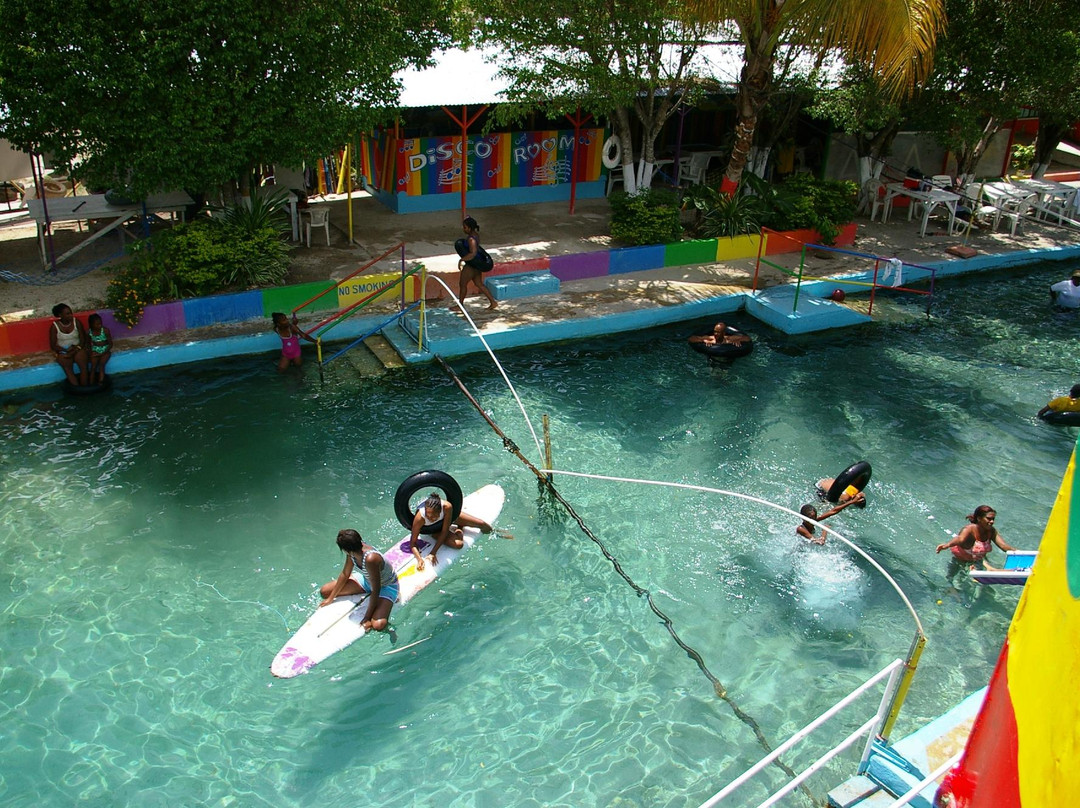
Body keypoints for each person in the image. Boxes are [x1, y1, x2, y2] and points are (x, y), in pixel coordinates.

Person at [319, 529, 399, 632]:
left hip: (386, 586)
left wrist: (367, 617)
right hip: (366, 580)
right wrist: (331, 598)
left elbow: (376, 589)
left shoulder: (371, 559)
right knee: (325, 591)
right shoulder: (352, 553)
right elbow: (345, 574)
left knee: (378, 625)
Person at [410, 491, 492, 570]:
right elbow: (413, 543)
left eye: (434, 516)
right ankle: (460, 528)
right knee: (459, 544)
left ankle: (497, 533)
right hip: (433, 528)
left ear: (440, 511)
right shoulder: (420, 518)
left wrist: (433, 552)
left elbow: (445, 531)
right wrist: (419, 559)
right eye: (428, 516)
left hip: (447, 519)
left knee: (482, 524)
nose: (431, 518)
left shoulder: (447, 507)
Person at [935, 505, 1016, 581]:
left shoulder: (991, 531)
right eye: (989, 518)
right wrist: (947, 545)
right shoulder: (969, 529)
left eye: (993, 519)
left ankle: (990, 568)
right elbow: (960, 539)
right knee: (950, 579)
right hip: (960, 559)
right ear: (979, 518)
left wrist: (1021, 553)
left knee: (980, 581)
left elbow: (1003, 546)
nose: (992, 522)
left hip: (978, 559)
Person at [456, 216, 498, 311]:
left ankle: (460, 305)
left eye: (465, 227)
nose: (464, 229)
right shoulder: (475, 235)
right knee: (479, 284)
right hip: (477, 264)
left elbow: (473, 253)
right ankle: (493, 302)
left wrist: (461, 260)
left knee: (462, 284)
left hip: (472, 266)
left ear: (469, 228)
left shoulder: (471, 239)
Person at [48, 303, 89, 387]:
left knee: (83, 365)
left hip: (77, 348)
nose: (70, 315)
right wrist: (66, 350)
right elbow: (53, 345)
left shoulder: (76, 322)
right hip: (64, 350)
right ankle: (76, 388)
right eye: (67, 314)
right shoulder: (54, 326)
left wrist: (76, 349)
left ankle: (85, 387)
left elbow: (83, 339)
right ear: (60, 315)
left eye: (70, 313)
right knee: (67, 368)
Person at [796, 500, 860, 545]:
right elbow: (819, 542)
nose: (813, 520)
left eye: (815, 517)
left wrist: (852, 501)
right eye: (811, 518)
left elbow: (833, 511)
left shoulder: (813, 520)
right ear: (803, 518)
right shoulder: (801, 529)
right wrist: (825, 530)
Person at [86, 313, 113, 384]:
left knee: (101, 365)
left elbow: (110, 344)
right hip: (95, 350)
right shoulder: (89, 332)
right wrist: (90, 353)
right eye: (97, 324)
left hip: (105, 350)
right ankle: (91, 383)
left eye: (100, 323)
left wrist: (103, 353)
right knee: (93, 367)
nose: (100, 325)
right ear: (91, 325)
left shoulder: (105, 331)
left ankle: (101, 382)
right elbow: (88, 344)